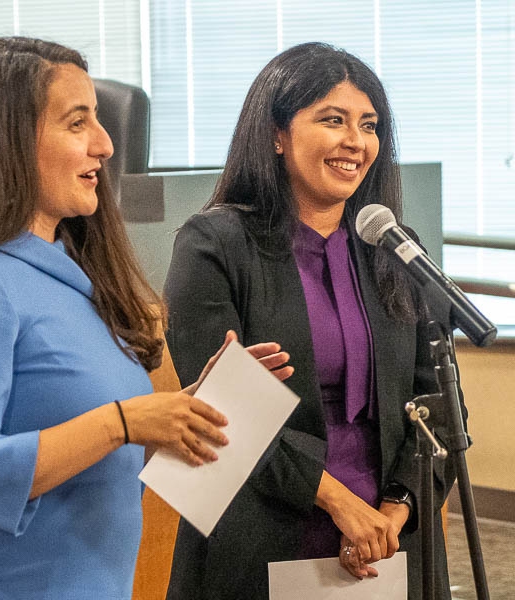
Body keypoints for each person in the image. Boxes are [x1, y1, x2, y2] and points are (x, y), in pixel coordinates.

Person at [0, 37, 292, 600]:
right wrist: (123, 420)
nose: (106, 144)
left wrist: (184, 414)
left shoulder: (71, 275)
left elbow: (91, 450)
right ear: (8, 139)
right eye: (77, 123)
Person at [164, 42, 464, 600]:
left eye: (369, 125)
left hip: (390, 539)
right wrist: (340, 504)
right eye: (333, 120)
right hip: (264, 528)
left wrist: (393, 514)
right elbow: (216, 417)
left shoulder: (394, 248)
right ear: (276, 133)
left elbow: (439, 407)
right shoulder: (213, 245)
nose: (356, 141)